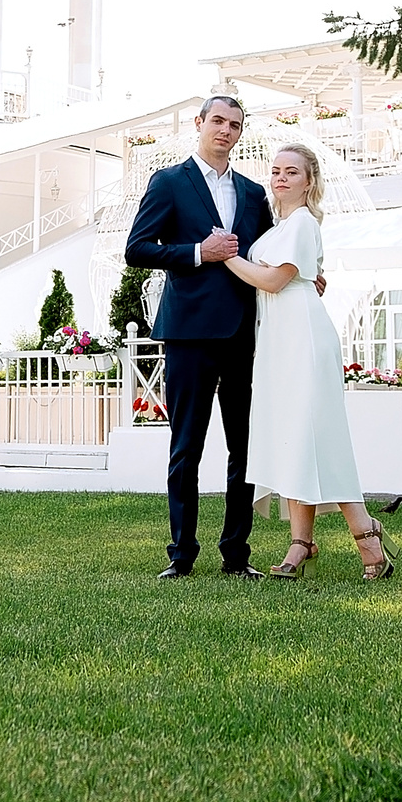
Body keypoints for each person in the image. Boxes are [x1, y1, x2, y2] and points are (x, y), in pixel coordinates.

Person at [221, 143, 395, 580]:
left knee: (317, 436)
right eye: (276, 170)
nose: (281, 177)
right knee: (295, 439)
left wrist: (227, 257)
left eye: (292, 172)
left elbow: (275, 280)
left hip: (302, 336)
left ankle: (365, 533)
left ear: (309, 181)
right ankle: (301, 542)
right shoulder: (280, 227)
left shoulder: (301, 223)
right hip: (280, 340)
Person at [125, 96, 272, 578]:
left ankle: (237, 555)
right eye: (218, 121)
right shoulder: (169, 182)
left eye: (235, 125)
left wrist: (304, 274)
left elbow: (268, 254)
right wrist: (197, 252)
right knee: (186, 446)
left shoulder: (253, 193)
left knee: (243, 448)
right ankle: (181, 555)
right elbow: (137, 249)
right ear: (199, 124)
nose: (225, 131)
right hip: (188, 332)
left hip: (242, 335)